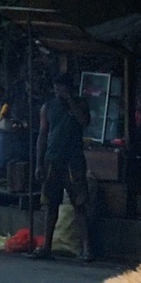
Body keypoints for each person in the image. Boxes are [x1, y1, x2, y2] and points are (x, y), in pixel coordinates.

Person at [36, 83, 93, 260]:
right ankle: (47, 247)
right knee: (50, 204)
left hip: (73, 161)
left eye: (62, 87)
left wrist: (70, 101)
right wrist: (39, 163)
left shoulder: (80, 104)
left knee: (79, 204)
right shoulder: (48, 107)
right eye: (56, 88)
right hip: (52, 160)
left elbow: (84, 122)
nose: (58, 91)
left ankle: (87, 249)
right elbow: (43, 135)